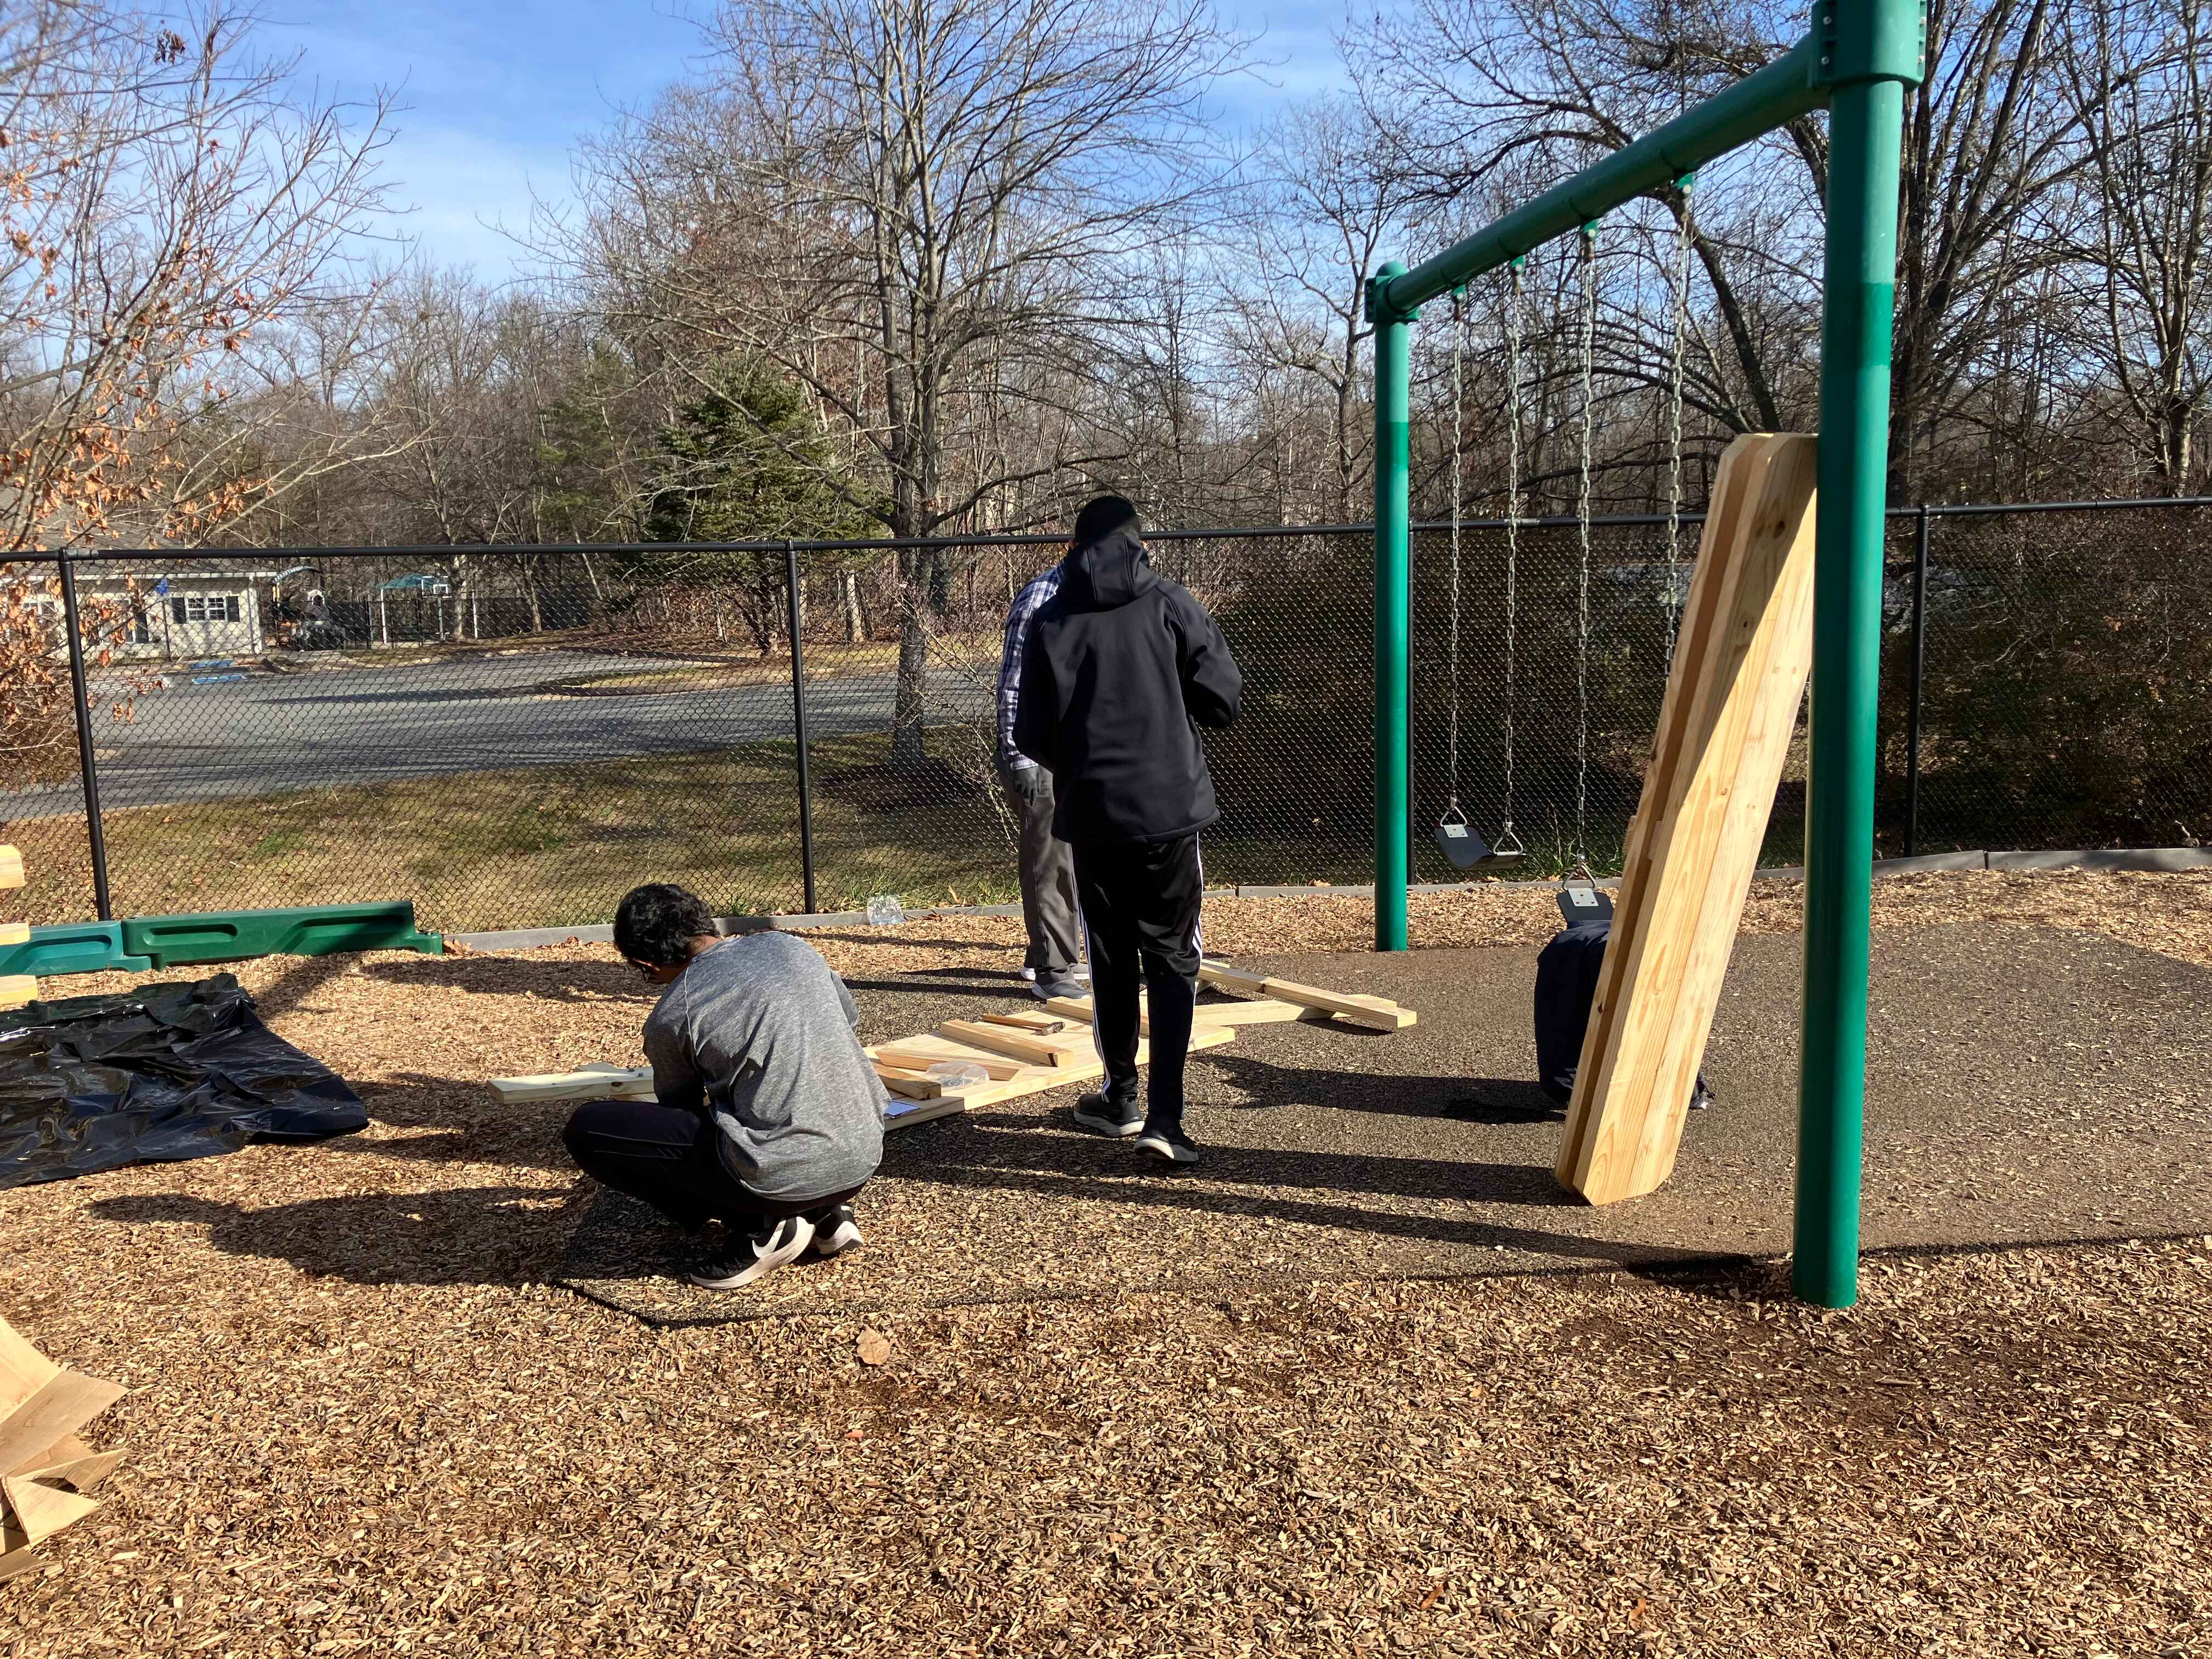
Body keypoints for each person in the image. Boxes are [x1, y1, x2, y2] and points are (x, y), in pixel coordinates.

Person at [1014, 494, 1242, 1165]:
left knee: (1110, 958)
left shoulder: (1051, 619)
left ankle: (1121, 1096)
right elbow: (1223, 699)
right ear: (1137, 543)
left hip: (1093, 816)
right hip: (1171, 812)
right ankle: (1166, 1122)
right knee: (1173, 957)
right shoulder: (1170, 602)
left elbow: (1031, 733)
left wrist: (1083, 768)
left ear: (1075, 548)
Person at [561, 883, 886, 1290]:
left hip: (780, 1174)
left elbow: (679, 1106)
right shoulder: (790, 947)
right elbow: (847, 1023)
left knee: (587, 1129)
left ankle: (761, 1228)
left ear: (647, 963)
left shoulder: (675, 1011)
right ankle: (825, 1212)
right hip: (863, 1154)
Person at [997, 550, 1086, 1002]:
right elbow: (1012, 680)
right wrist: (1019, 757)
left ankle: (1049, 952)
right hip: (1036, 749)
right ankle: (1054, 970)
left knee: (1076, 856)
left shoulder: (1099, 595)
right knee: (1049, 857)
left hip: (1080, 748)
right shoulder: (1040, 596)